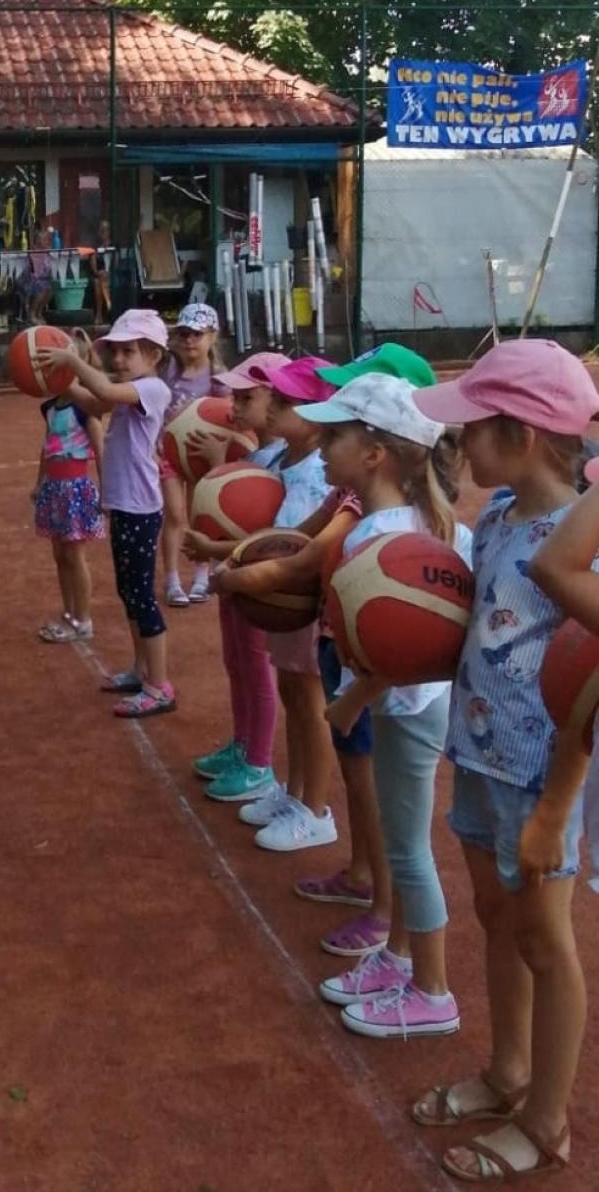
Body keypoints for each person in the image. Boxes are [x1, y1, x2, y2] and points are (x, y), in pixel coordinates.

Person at [408, 340, 598, 1180]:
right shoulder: (494, 516)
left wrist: (559, 805)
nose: (460, 447)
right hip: (477, 754)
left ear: (520, 435)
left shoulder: (580, 545)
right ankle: (508, 1070)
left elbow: (589, 687)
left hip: (540, 772)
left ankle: (548, 1119)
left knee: (545, 938)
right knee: (493, 912)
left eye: (473, 431)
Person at [295, 374, 471, 1039]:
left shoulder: (388, 540)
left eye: (335, 435)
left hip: (408, 705)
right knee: (404, 846)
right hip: (410, 703)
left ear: (374, 454)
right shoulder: (418, 524)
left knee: (407, 851)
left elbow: (410, 649)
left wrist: (351, 701)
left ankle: (432, 989)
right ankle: (398, 958)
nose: (321, 444)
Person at [214, 357, 339, 852]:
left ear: (317, 414)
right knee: (292, 695)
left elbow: (290, 544)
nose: (272, 408)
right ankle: (294, 792)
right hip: (280, 601)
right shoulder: (276, 459)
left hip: (303, 602)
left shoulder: (319, 473)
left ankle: (316, 809)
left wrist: (238, 570)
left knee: (311, 705)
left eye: (284, 402)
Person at [40, 308, 174, 717]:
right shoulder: (129, 391)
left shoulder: (152, 389)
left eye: (128, 351)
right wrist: (64, 379)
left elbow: (107, 393)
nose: (118, 360)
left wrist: (74, 361)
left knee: (143, 598)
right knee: (129, 593)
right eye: (114, 352)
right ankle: (141, 669)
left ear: (153, 355)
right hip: (124, 506)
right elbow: (93, 397)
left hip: (140, 508)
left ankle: (160, 684)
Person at [183, 352, 289, 803]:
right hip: (233, 575)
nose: (235, 407)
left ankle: (259, 763)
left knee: (257, 665)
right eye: (235, 397)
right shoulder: (252, 452)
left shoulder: (280, 460)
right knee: (236, 660)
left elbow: (268, 533)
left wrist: (221, 463)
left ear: (279, 399)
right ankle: (242, 744)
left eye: (247, 398)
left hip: (257, 578)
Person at [32, 329, 106, 643]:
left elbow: (100, 450)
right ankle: (69, 614)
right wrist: (39, 484)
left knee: (75, 557)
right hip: (54, 489)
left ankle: (84, 619)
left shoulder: (84, 408)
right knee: (60, 556)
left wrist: (107, 490)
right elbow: (46, 447)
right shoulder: (50, 408)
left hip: (76, 487)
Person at [159, 303, 221, 608]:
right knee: (175, 515)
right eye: (183, 333)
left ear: (213, 337)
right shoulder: (167, 369)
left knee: (200, 518)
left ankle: (201, 574)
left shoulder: (219, 378)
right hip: (168, 453)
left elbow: (228, 419)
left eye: (197, 334)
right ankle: (171, 579)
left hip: (200, 456)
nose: (189, 340)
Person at [89, 220, 113, 326]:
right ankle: (107, 305)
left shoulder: (113, 245)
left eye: (106, 230)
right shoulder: (95, 248)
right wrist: (99, 272)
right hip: (100, 276)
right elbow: (93, 267)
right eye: (102, 230)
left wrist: (109, 272)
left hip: (111, 275)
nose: (104, 233)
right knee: (97, 282)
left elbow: (116, 264)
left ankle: (99, 314)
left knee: (101, 282)